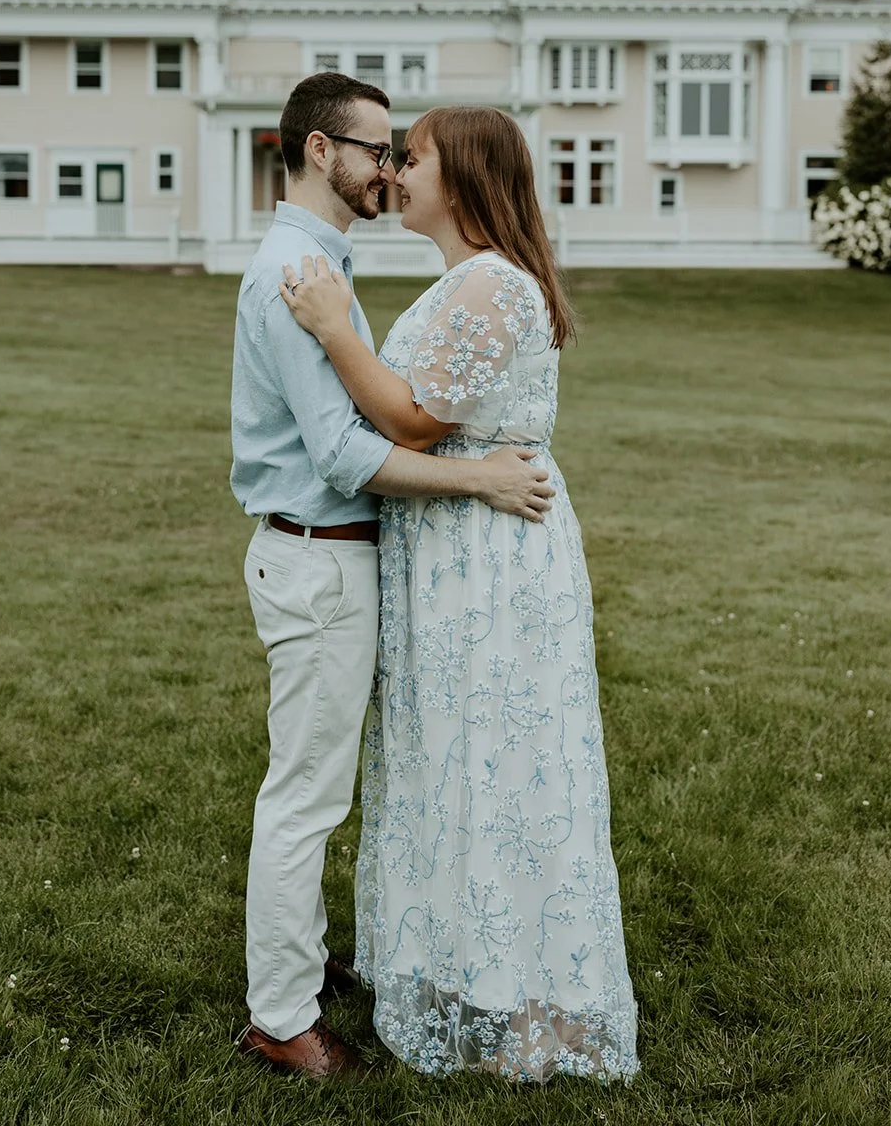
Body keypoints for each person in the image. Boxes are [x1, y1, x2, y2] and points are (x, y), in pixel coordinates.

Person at [279, 105, 639, 1085]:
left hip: (487, 558)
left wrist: (330, 328)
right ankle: (466, 962)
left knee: (492, 760)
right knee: (458, 758)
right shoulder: (469, 279)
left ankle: (524, 995)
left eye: (415, 157)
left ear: (466, 175)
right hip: (454, 547)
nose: (395, 172)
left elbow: (412, 418)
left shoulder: (489, 283)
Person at [230, 75, 555, 1081]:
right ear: (320, 151)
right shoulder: (293, 272)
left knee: (326, 783)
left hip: (338, 557)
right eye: (379, 150)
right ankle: (281, 1018)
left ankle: (298, 962)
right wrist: (480, 480)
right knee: (306, 796)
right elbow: (341, 452)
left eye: (402, 154)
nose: (390, 168)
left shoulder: (324, 264)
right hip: (318, 556)